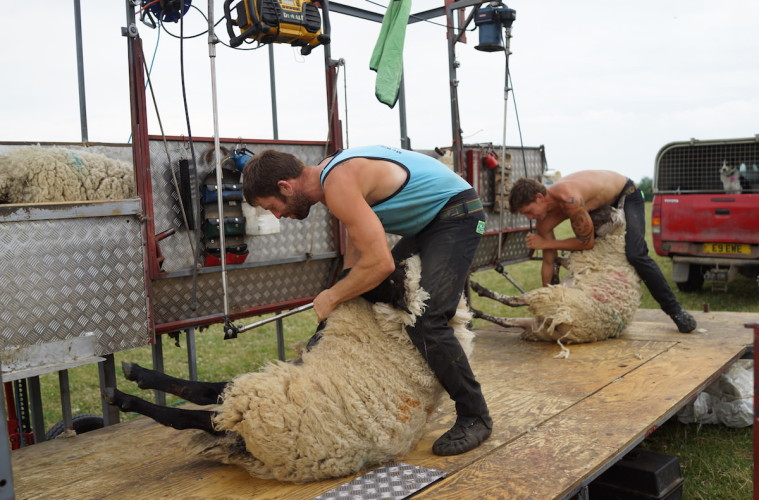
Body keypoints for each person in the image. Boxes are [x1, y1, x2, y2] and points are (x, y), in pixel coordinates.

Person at [242, 145, 492, 456]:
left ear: (285, 187)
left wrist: (333, 294)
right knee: (366, 291)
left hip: (457, 214)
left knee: (427, 317)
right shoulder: (330, 175)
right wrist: (344, 294)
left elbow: (380, 264)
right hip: (430, 221)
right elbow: (358, 246)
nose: (279, 216)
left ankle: (474, 415)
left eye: (273, 207)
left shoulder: (337, 183)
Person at [508, 170, 697, 333]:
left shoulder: (569, 199)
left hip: (626, 193)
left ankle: (676, 311)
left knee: (635, 254)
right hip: (594, 206)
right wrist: (547, 303)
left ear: (540, 198)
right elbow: (548, 262)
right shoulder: (543, 222)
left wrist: (546, 244)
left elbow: (586, 243)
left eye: (528, 212)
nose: (530, 218)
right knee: (589, 260)